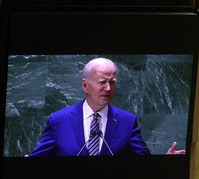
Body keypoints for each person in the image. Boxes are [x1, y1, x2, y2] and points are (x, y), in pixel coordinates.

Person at [27, 58, 185, 157]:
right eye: (102, 82)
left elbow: (143, 163)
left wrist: (165, 161)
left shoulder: (127, 122)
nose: (108, 88)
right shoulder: (59, 120)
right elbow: (37, 161)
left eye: (112, 82)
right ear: (85, 85)